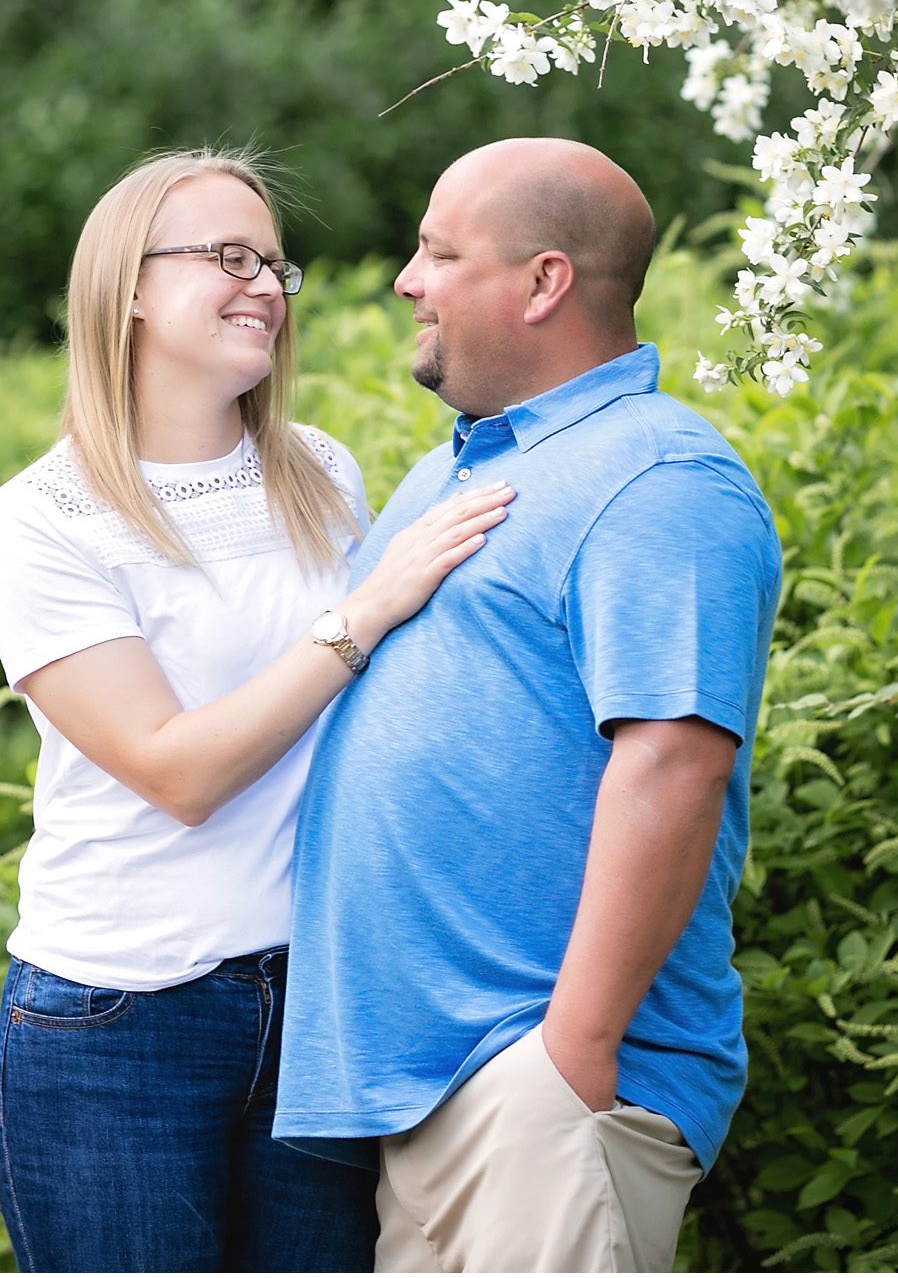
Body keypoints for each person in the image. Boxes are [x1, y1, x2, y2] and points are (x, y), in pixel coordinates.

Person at [0, 148, 512, 1273]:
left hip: (318, 1004)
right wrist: (362, 614)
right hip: (118, 1025)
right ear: (125, 285)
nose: (264, 284)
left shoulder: (319, 472)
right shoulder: (42, 521)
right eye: (226, 256)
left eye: (273, 262)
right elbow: (175, 772)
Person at [274, 137, 782, 1272]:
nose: (405, 279)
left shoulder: (656, 479)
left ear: (543, 282)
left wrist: (571, 1057)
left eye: (438, 252)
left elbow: (675, 763)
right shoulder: (456, 467)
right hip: (438, 1091)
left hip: (540, 1086)